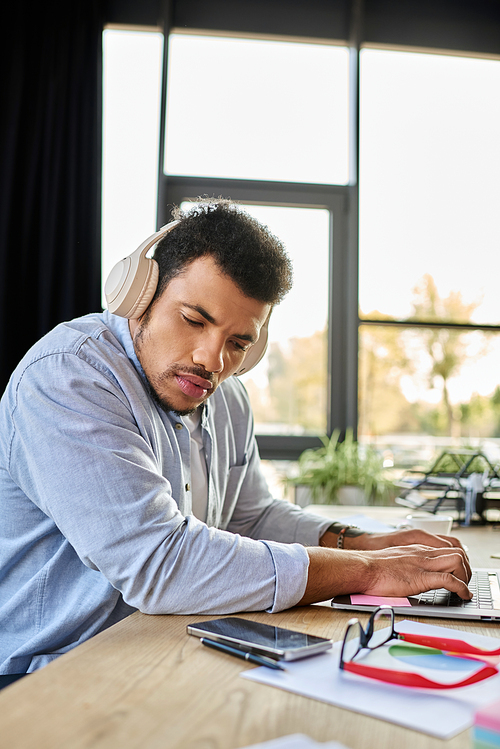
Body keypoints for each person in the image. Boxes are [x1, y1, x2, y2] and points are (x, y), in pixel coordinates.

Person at [0, 200, 471, 675]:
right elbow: (161, 566)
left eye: (238, 341)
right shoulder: (67, 378)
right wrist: (369, 571)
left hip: (159, 650)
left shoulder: (225, 395)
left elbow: (251, 516)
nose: (212, 359)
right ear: (138, 296)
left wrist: (363, 543)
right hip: (47, 673)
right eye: (194, 319)